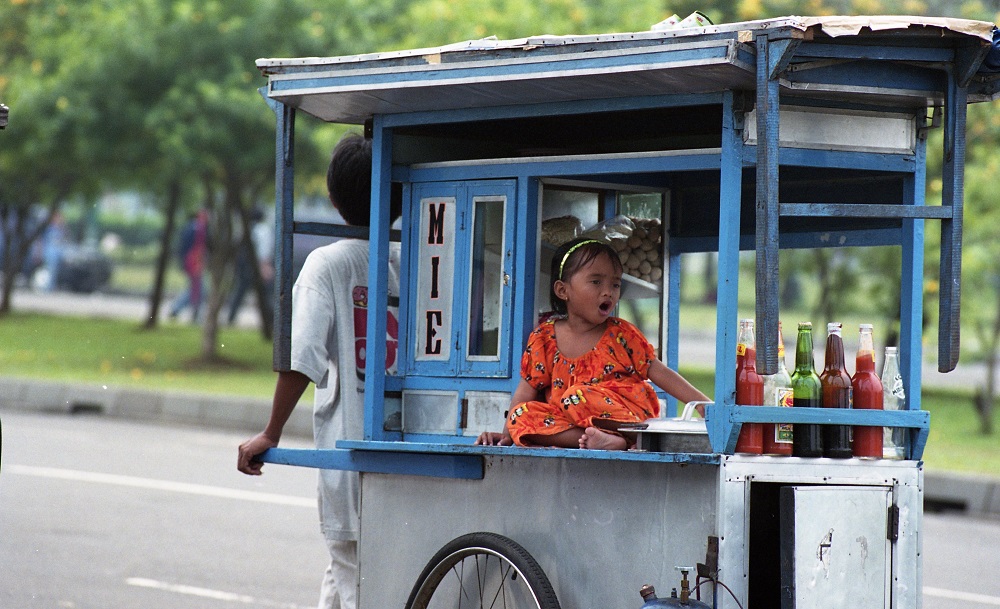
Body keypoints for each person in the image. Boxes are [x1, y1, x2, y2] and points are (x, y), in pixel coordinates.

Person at [237, 133, 401, 609]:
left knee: (355, 581)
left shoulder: (325, 265)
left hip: (348, 457)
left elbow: (302, 359)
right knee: (343, 575)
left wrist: (270, 432)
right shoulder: (407, 263)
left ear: (332, 198)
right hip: (400, 452)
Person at [476, 238, 709, 450]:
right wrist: (509, 434)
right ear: (562, 290)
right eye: (596, 282)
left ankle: (623, 438)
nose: (607, 292)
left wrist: (703, 404)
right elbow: (524, 393)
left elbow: (660, 372)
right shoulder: (544, 338)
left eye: (615, 285)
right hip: (569, 422)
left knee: (575, 396)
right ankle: (599, 441)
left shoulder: (621, 334)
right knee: (520, 414)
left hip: (626, 417)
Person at [226, 207, 274, 326]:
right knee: (264, 294)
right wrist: (265, 266)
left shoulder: (245, 228)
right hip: (256, 266)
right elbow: (264, 251)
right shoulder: (262, 230)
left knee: (240, 291)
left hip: (243, 266)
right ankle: (269, 320)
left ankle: (231, 316)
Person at [169, 210, 208, 322]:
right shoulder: (197, 229)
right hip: (194, 262)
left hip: (192, 262)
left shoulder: (192, 227)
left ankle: (193, 313)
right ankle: (178, 308)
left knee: (197, 289)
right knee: (197, 289)